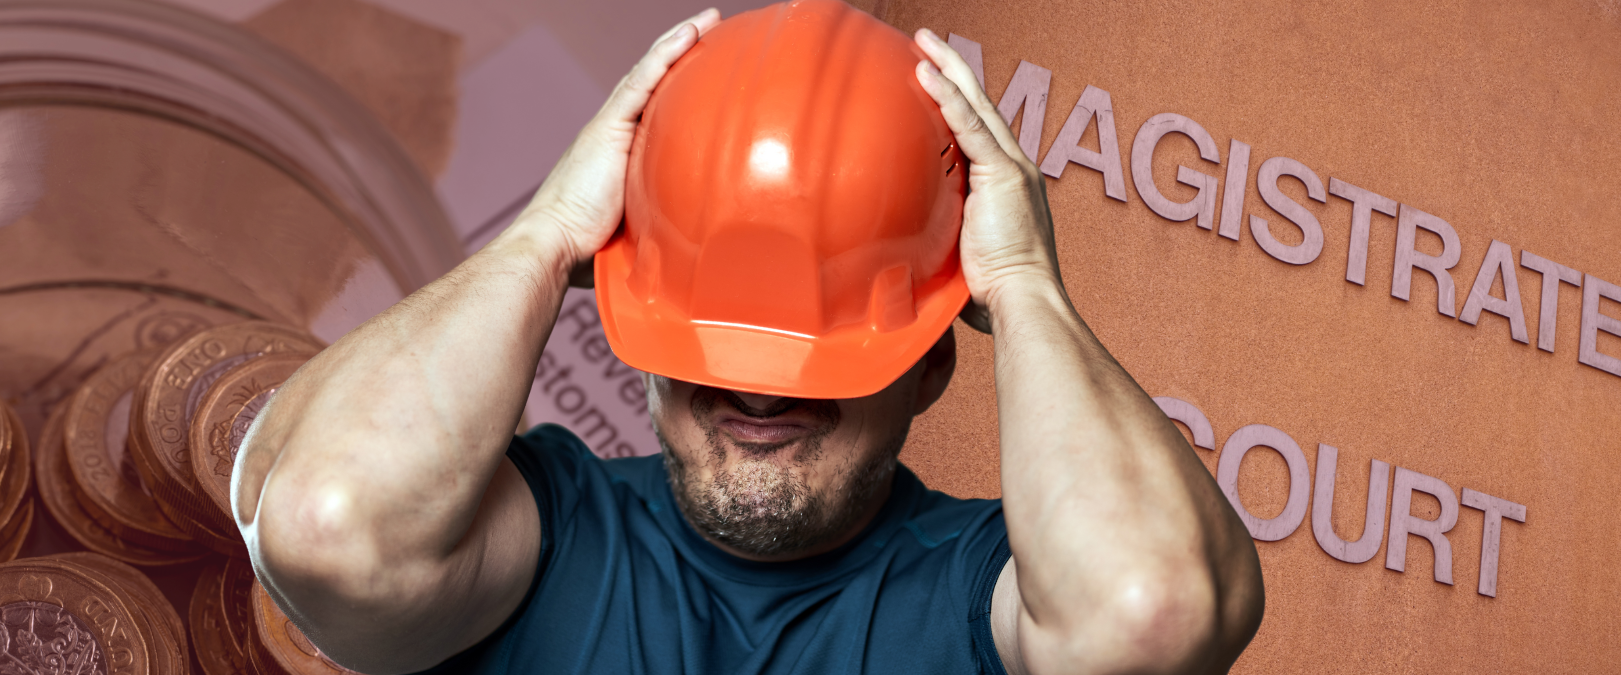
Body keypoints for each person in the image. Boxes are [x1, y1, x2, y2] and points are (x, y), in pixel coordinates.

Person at [233, 3, 1265, 674]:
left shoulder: (977, 590)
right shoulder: (543, 537)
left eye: (821, 355)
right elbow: (328, 525)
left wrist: (1027, 284)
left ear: (934, 363)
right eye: (719, 340)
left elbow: (1153, 614)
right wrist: (546, 238)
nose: (760, 392)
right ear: (637, 335)